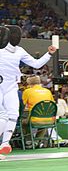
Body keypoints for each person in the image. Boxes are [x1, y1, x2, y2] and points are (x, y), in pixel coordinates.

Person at [0, 25, 56, 156]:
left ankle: (5, 143)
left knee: (12, 114)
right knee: (3, 115)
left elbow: (36, 64)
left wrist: (49, 54)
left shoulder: (19, 50)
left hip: (11, 86)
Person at [21, 75, 57, 143]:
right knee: (44, 122)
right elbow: (52, 103)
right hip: (49, 120)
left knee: (24, 123)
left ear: (28, 83)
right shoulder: (47, 91)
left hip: (34, 119)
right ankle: (37, 141)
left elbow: (23, 105)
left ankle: (29, 141)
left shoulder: (27, 91)